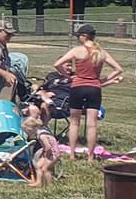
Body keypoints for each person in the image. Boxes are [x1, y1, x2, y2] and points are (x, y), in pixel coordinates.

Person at [53, 25, 125, 161]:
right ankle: (91, 156)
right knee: (92, 124)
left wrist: (68, 77)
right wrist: (102, 79)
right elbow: (118, 69)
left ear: (84, 36)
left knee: (75, 122)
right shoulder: (101, 52)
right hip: (94, 88)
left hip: (78, 87)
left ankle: (72, 154)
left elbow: (57, 64)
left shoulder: (77, 51)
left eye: (79, 36)